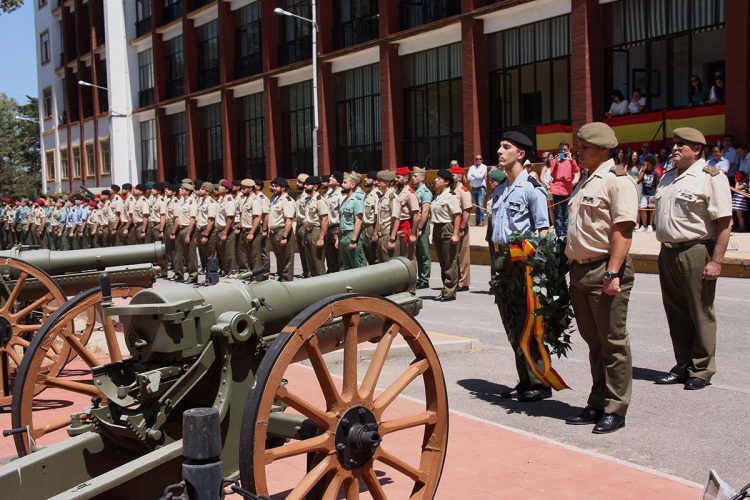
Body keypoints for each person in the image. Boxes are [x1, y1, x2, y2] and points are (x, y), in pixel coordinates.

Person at [565, 122, 638, 434]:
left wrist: (613, 272)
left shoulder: (616, 181)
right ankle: (597, 401)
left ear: (605, 148)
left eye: (586, 146)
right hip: (580, 269)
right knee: (594, 341)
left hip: (604, 268)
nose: (579, 150)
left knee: (612, 342)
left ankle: (615, 407)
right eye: (579, 146)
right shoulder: (586, 181)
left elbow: (623, 230)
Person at [653, 127, 732, 390]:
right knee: (675, 312)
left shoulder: (711, 177)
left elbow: (723, 221)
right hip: (667, 251)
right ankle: (683, 364)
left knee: (700, 311)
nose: (674, 149)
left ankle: (702, 368)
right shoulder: (668, 177)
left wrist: (716, 261)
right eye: (674, 144)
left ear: (697, 149)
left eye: (681, 145)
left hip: (695, 250)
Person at [491, 131, 553, 402]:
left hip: (524, 262)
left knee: (531, 322)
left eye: (506, 147)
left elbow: (542, 230)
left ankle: (540, 381)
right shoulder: (501, 190)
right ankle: (524, 379)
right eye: (500, 146)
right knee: (512, 323)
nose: (500, 151)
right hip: (503, 261)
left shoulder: (532, 188)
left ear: (521, 154)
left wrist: (540, 268)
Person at [430, 169, 461, 301]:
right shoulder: (438, 196)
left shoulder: (451, 196)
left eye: (439, 178)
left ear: (447, 182)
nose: (436, 180)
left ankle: (450, 291)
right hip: (437, 227)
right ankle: (445, 289)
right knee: (443, 262)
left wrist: (455, 234)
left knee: (450, 261)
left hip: (447, 227)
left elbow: (457, 215)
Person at [548, 141, 580, 236]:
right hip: (557, 188)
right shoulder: (555, 160)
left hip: (567, 189)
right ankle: (559, 234)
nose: (562, 151)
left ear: (568, 150)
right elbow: (552, 174)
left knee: (566, 213)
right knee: (558, 213)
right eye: (561, 149)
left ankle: (566, 233)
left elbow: (576, 170)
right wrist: (556, 163)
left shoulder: (570, 161)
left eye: (564, 149)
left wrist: (571, 160)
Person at [268, 177, 296, 281]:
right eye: (273, 185)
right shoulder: (274, 199)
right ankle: (281, 278)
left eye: (276, 186)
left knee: (287, 258)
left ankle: (287, 280)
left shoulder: (287, 200)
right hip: (274, 232)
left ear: (283, 188)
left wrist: (285, 236)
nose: (273, 188)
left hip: (282, 231)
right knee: (279, 257)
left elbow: (289, 219)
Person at [338, 172, 367, 270]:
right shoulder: (344, 200)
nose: (342, 184)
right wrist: (338, 238)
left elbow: (358, 221)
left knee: (358, 266)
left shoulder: (357, 200)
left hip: (351, 235)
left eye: (345, 182)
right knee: (347, 267)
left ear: (353, 184)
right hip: (343, 236)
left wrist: (353, 240)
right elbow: (341, 220)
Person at [171, 182, 198, 283]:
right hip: (180, 228)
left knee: (190, 254)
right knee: (178, 253)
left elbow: (192, 220)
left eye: (182, 189)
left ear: (188, 191)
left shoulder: (192, 202)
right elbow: (177, 219)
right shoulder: (181, 201)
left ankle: (193, 276)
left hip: (188, 228)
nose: (180, 190)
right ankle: (179, 274)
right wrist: (173, 232)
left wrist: (188, 235)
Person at [451, 163, 472, 291]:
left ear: (459, 177)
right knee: (455, 254)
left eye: (453, 174)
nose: (450, 176)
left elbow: (467, 210)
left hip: (461, 226)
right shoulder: (451, 190)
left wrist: (463, 227)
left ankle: (464, 282)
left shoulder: (463, 190)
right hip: (453, 225)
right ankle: (457, 278)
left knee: (463, 255)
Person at [302, 176, 329, 277]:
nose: (305, 186)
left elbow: (325, 220)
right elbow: (307, 220)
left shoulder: (320, 200)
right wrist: (304, 237)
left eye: (307, 184)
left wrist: (321, 238)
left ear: (315, 186)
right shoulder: (308, 200)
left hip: (316, 232)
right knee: (311, 263)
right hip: (308, 232)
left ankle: (323, 288)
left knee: (318, 263)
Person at [412, 166, 433, 289]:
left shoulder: (425, 192)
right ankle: (420, 277)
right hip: (416, 226)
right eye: (413, 176)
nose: (413, 178)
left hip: (422, 226)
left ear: (422, 177)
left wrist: (419, 228)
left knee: (424, 252)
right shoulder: (415, 191)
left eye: (416, 176)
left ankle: (425, 278)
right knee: (418, 253)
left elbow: (425, 211)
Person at [374, 170, 400, 263]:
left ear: (387, 182)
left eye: (380, 181)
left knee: (390, 265)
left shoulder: (392, 197)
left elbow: (396, 219)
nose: (377, 183)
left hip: (388, 235)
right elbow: (379, 218)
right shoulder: (382, 197)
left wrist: (392, 240)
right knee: (381, 265)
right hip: (381, 236)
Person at [395, 166, 420, 263]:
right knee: (399, 258)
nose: (395, 179)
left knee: (408, 259)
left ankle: (412, 278)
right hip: (397, 227)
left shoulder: (410, 193)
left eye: (398, 177)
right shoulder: (397, 192)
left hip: (406, 227)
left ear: (405, 179)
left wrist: (413, 234)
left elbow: (416, 215)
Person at [485, 168, 506, 279]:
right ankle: (494, 280)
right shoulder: (493, 193)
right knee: (493, 255)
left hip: (498, 229)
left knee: (499, 257)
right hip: (491, 228)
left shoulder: (503, 193)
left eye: (493, 180)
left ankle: (499, 279)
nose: (490, 182)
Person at [323, 172, 344, 273]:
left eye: (333, 177)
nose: (330, 178)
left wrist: (338, 234)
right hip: (327, 228)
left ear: (338, 181)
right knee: (330, 259)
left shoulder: (341, 194)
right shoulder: (328, 194)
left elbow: (341, 214)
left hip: (336, 228)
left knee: (339, 258)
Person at [215, 180, 237, 276]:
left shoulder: (229, 201)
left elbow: (230, 218)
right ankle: (227, 271)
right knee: (223, 254)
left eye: (221, 186)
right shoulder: (221, 199)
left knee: (229, 254)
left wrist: (225, 233)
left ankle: (232, 273)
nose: (218, 188)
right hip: (220, 230)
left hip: (226, 231)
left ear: (227, 189)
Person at [636, 154, 660, 232]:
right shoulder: (644, 171)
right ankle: (644, 225)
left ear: (651, 163)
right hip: (644, 193)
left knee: (652, 209)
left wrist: (655, 195)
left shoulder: (655, 173)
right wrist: (643, 169)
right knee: (642, 208)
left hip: (652, 194)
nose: (646, 163)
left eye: (647, 162)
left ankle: (650, 225)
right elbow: (638, 180)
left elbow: (658, 184)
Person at [294, 173, 310, 278]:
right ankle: (305, 271)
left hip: (304, 225)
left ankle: (309, 272)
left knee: (307, 251)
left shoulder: (306, 196)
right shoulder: (300, 195)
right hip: (298, 225)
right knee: (302, 252)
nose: (297, 183)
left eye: (299, 182)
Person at [362, 171, 380, 264]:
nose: (365, 179)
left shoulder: (376, 195)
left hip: (371, 228)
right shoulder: (367, 194)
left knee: (374, 256)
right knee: (368, 255)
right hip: (365, 228)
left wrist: (375, 233)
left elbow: (378, 216)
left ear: (374, 181)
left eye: (368, 178)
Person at [467, 154, 487, 225]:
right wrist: (476, 176)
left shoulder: (484, 167)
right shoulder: (472, 167)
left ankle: (482, 221)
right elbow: (468, 177)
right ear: (475, 160)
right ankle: (477, 221)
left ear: (482, 160)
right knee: (475, 205)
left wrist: (473, 176)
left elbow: (481, 176)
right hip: (473, 188)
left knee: (480, 204)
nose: (478, 160)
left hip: (481, 188)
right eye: (477, 159)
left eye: (480, 159)